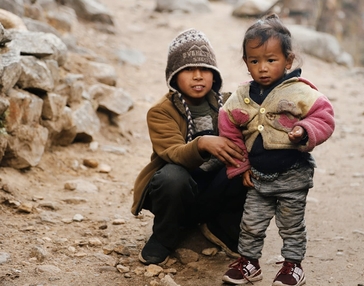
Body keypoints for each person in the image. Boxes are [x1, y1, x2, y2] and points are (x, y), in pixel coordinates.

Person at [219, 14, 335, 286]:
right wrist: (239, 165)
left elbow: (324, 117)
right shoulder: (242, 95)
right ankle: (249, 262)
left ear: (288, 60)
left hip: (293, 175)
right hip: (258, 177)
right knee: (251, 224)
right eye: (254, 61)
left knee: (291, 226)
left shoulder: (301, 93)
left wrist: (305, 130)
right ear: (246, 62)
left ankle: (292, 266)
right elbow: (228, 124)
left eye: (271, 60)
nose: (262, 68)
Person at [131, 28, 248, 265]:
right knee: (171, 176)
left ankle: (220, 227)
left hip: (215, 189)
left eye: (205, 69)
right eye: (188, 70)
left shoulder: (229, 102)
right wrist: (202, 143)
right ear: (174, 77)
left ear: (214, 75)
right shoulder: (161, 111)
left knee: (249, 164)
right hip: (179, 192)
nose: (198, 76)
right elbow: (173, 152)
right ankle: (165, 234)